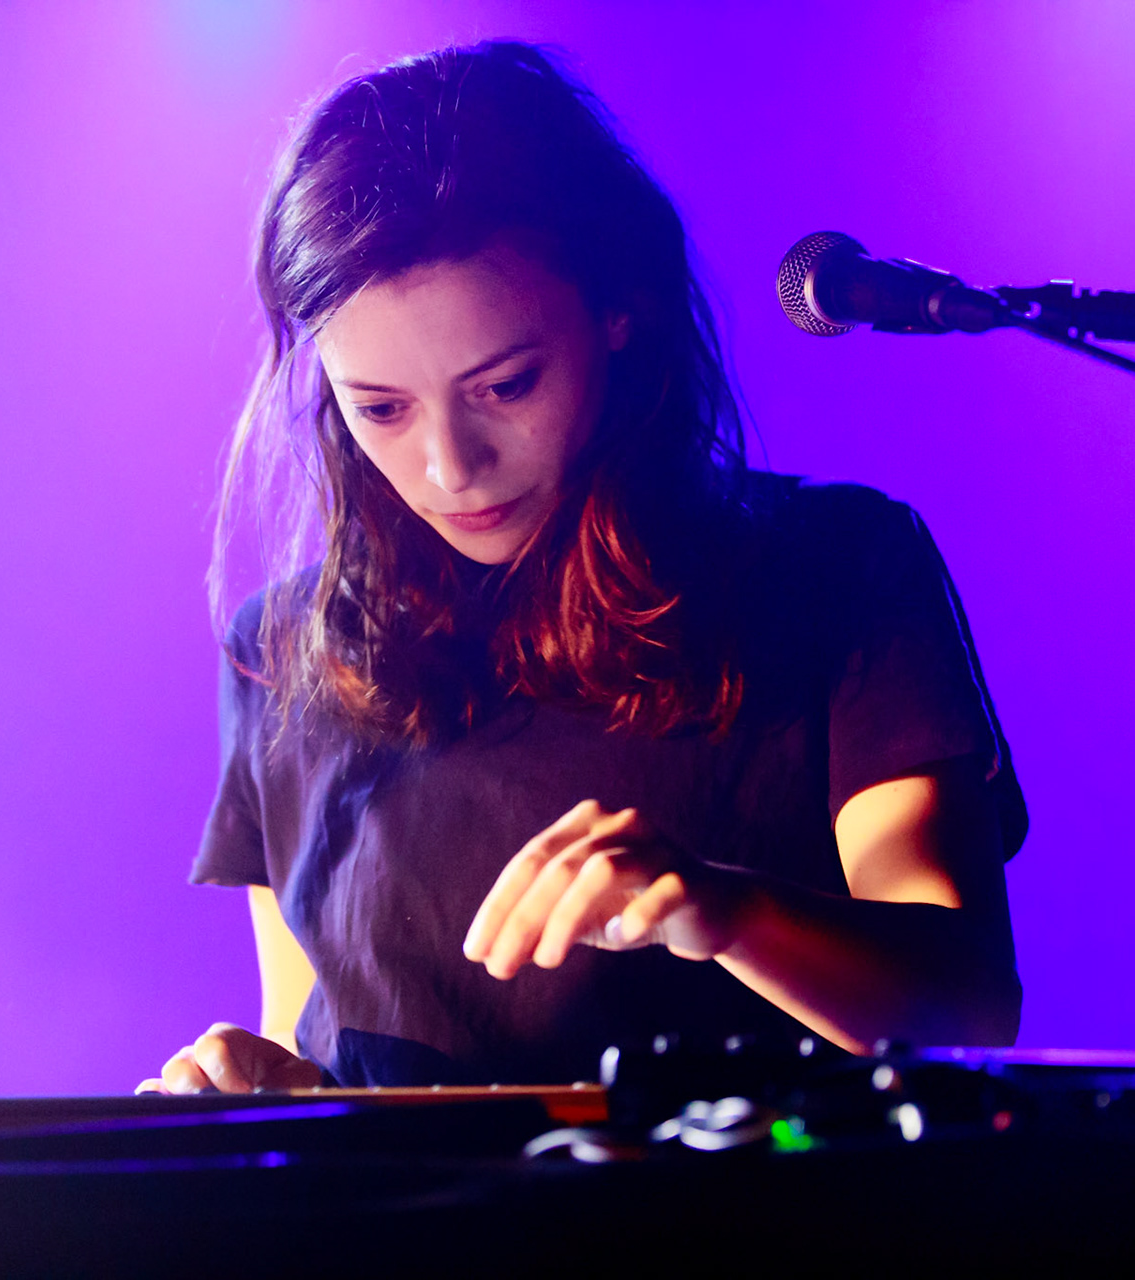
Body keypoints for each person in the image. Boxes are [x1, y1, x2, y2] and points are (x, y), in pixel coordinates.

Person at [139, 41, 1025, 1095]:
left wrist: (721, 908)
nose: (447, 465)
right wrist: (258, 1086)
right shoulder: (282, 653)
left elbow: (965, 996)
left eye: (505, 384)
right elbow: (315, 1045)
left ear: (619, 312)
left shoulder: (835, 569)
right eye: (379, 408)